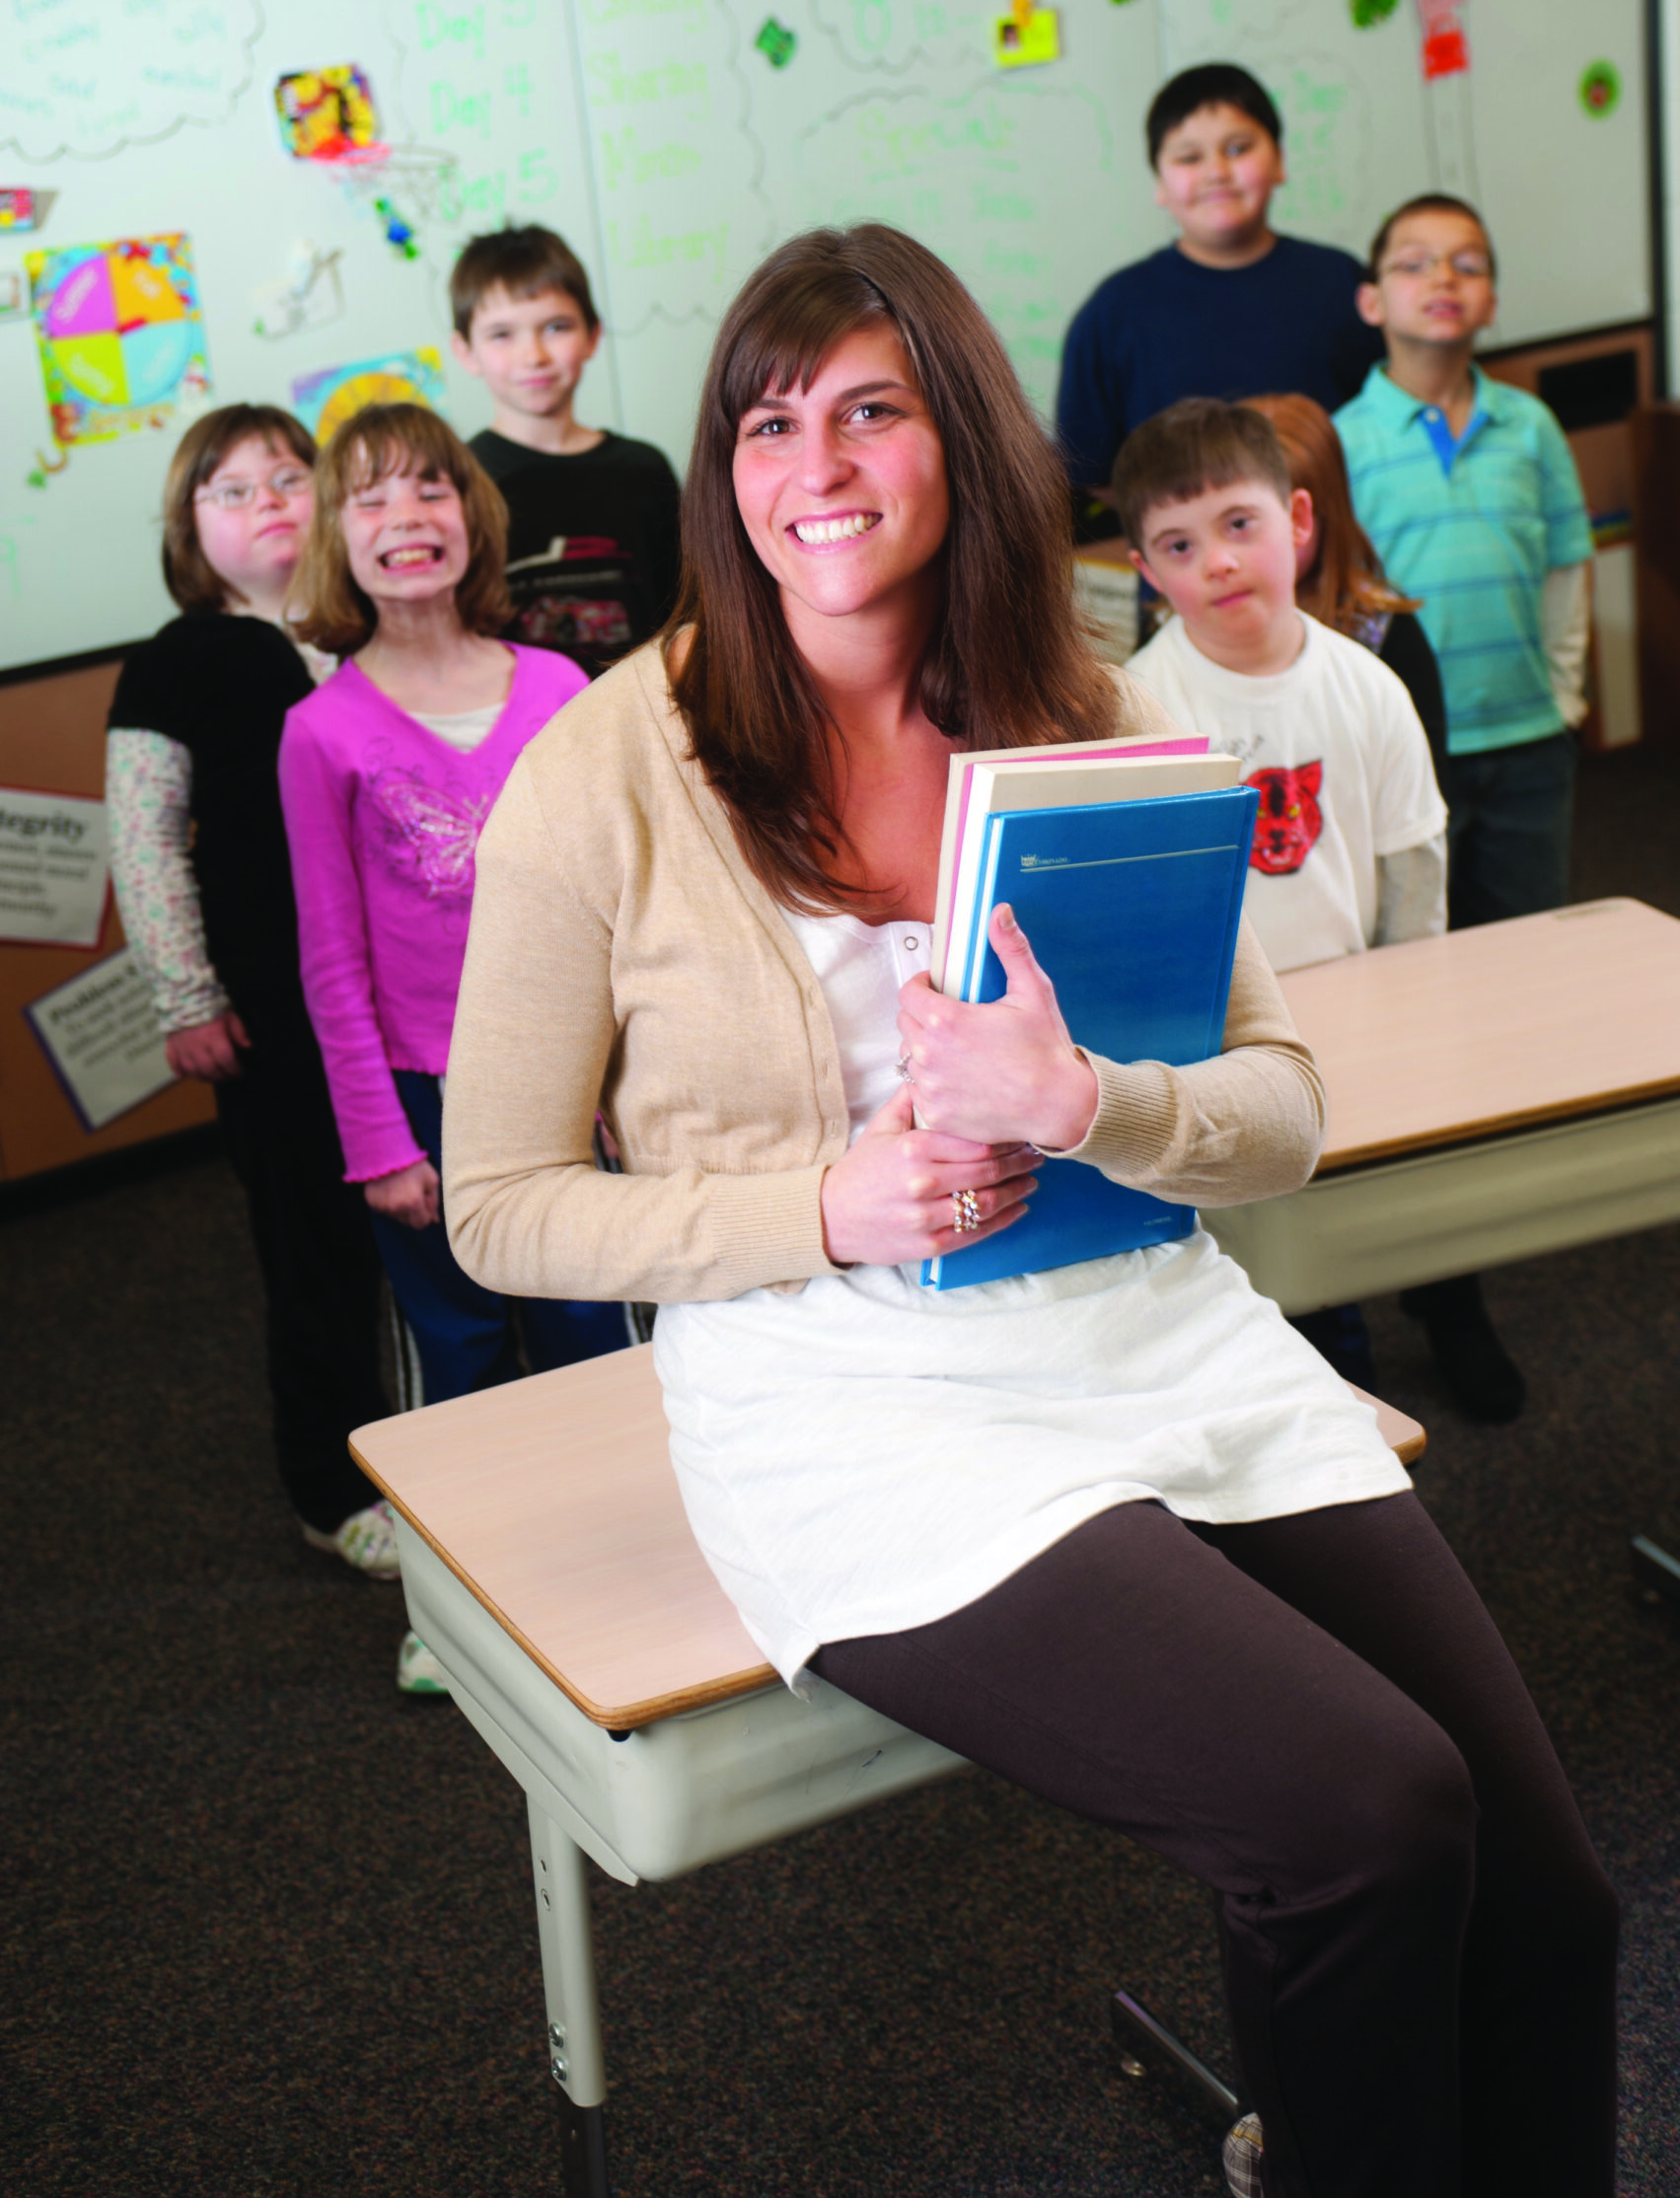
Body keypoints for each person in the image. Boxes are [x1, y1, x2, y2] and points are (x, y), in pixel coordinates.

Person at [442, 224, 1615, 2198]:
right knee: (1365, 1812)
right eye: (764, 419)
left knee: (1549, 1896)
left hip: (1139, 1326)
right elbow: (500, 1204)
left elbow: (1278, 1107)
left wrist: (1089, 1100)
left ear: (958, 438)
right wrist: (823, 1201)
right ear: (721, 464)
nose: (811, 460)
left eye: (868, 408)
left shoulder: (1074, 710)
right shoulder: (602, 770)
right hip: (839, 1384)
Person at [277, 402, 616, 1693]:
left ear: (469, 517)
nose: (402, 517)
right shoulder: (323, 731)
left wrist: (614, 1086)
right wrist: (375, 1137)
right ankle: (461, 1604)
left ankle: (633, 1572)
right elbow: (331, 958)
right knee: (462, 1358)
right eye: (368, 498)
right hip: (419, 1101)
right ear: (337, 541)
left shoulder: (557, 689)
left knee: (594, 1333)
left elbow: (612, 907)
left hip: (565, 1082)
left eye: (426, 488)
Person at [107, 405, 394, 1581]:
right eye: (232, 490)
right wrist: (186, 995)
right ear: (189, 530)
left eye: (290, 475)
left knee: (433, 1235)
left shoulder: (370, 630)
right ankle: (330, 1487)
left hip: (406, 1002)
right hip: (275, 1021)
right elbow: (146, 841)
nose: (270, 498)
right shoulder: (173, 665)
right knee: (313, 1246)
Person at [1120, 399, 1446, 1398]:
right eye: (1178, 543)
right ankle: (1320, 1353)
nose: (1215, 561)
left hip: (1363, 1001)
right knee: (1274, 1265)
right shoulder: (1139, 712)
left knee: (1397, 1196)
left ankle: (1443, 1310)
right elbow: (1150, 916)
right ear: (1144, 571)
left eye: (1237, 524)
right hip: (1226, 1041)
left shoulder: (1366, 685)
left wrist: (1415, 1001)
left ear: (1297, 523)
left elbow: (1414, 871)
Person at [1336, 194, 1594, 1420]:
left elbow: (1561, 564)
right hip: (1412, 774)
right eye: (1413, 262)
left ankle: (1482, 1244)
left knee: (1512, 999)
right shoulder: (1342, 438)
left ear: (1489, 296)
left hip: (1524, 746)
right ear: (1370, 300)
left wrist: (1562, 693)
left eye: (1468, 264)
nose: (1443, 279)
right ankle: (1439, 1286)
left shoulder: (1528, 423)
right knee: (1418, 1010)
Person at [1055, 63, 1382, 519]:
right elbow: (1092, 469)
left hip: (1338, 559)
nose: (1216, 172)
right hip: (1186, 578)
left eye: (1238, 148)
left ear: (1280, 161)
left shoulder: (1343, 281)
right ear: (1159, 184)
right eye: (1189, 158)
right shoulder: (1113, 312)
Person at [450, 223, 682, 675]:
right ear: (465, 351)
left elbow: (682, 614)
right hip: (522, 735)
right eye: (502, 334)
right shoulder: (455, 482)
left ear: (593, 335)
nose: (533, 355)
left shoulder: (643, 470)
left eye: (556, 327)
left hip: (645, 717)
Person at [1245, 390, 1448, 786]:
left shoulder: (1384, 629)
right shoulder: (1186, 626)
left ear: (1320, 512)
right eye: (1243, 522)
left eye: (1287, 516)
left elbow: (1426, 783)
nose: (1270, 544)